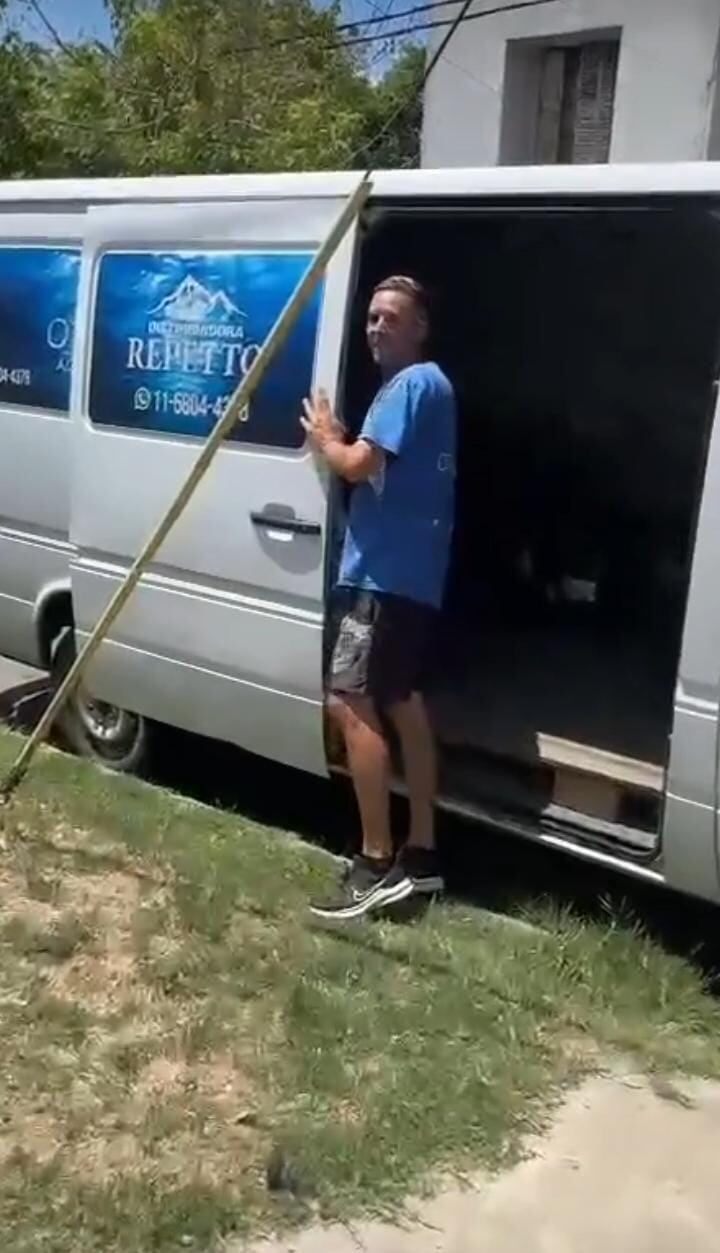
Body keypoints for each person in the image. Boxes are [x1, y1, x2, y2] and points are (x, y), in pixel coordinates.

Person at [300, 275, 456, 922]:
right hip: (414, 580)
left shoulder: (411, 385)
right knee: (404, 703)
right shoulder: (436, 387)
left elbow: (360, 464)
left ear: (421, 327)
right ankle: (421, 855)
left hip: (379, 579)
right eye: (370, 317)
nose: (376, 327)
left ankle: (372, 861)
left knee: (349, 702)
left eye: (392, 317)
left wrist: (327, 438)